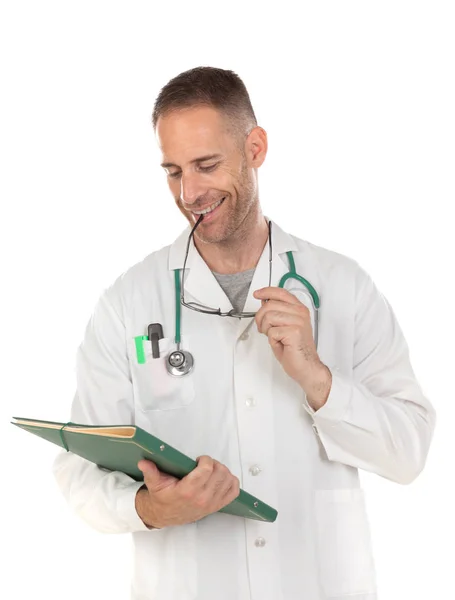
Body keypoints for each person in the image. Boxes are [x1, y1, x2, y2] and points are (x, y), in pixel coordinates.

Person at [52, 66, 436, 600]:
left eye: (206, 165)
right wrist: (149, 508)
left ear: (255, 148)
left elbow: (410, 451)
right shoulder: (129, 303)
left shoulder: (343, 288)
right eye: (172, 171)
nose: (189, 192)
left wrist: (318, 380)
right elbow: (80, 468)